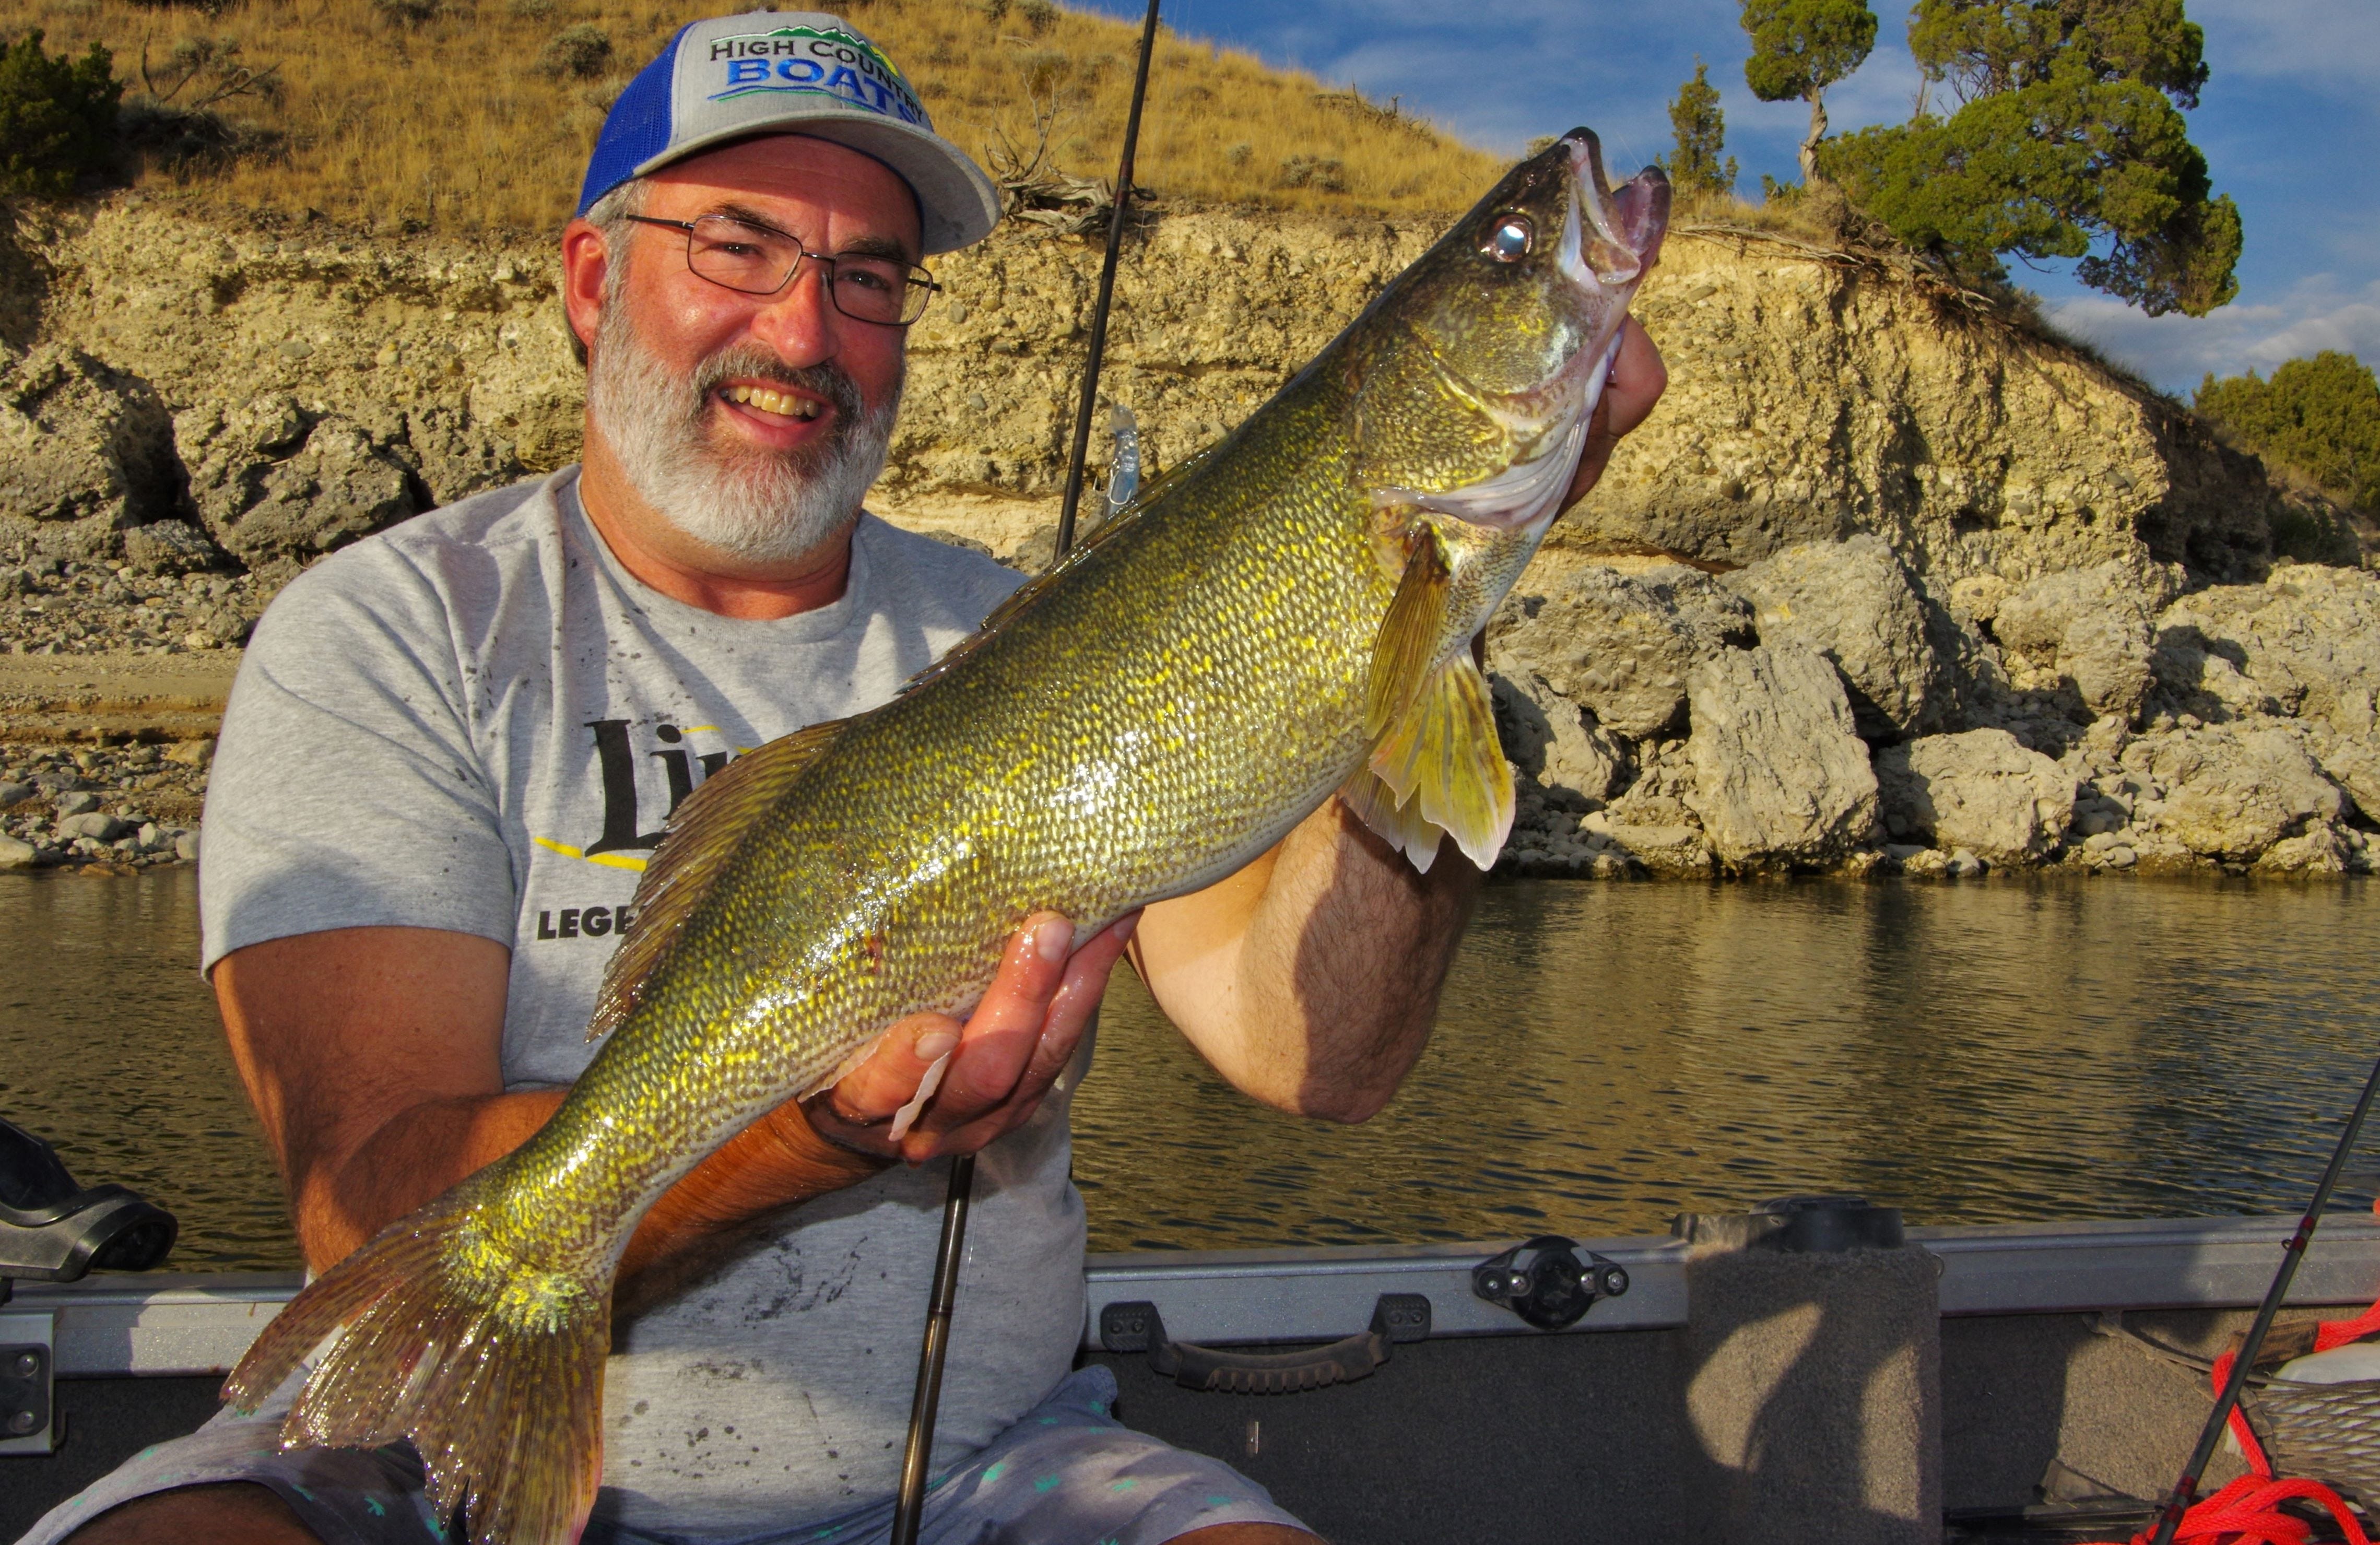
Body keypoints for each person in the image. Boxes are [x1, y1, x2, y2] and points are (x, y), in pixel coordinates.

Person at [25, 11, 1666, 1545]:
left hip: (983, 1464)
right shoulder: (395, 632)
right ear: (593, 280)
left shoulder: (1004, 629)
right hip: (410, 1442)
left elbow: (1319, 1061)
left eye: (868, 278)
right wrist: (815, 1134)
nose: (804, 329)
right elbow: (367, 1208)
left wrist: (1443, 635)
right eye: (737, 244)